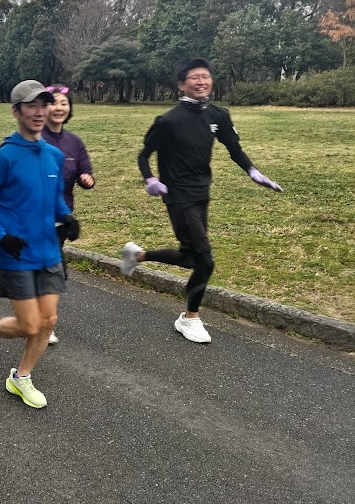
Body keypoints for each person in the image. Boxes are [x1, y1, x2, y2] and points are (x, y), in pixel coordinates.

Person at [120, 58, 283, 344]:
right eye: (194, 77)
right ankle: (190, 317)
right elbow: (144, 154)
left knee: (189, 258)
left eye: (205, 76)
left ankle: (138, 256)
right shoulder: (168, 121)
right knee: (205, 260)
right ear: (181, 85)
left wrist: (253, 171)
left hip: (201, 192)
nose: (201, 81)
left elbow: (234, 149)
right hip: (177, 195)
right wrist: (150, 179)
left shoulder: (218, 115)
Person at [0, 80, 79, 409]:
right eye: (31, 106)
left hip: (48, 251)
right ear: (16, 112)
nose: (40, 112)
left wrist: (67, 216)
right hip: (14, 253)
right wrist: (0, 235)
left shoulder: (54, 155)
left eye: (44, 104)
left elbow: (54, 199)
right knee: (30, 324)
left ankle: (21, 377)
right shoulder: (5, 157)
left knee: (48, 321)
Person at [41, 84, 95, 344]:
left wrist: (87, 179)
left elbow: (87, 172)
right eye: (54, 102)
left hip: (62, 216)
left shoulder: (75, 143)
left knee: (53, 266)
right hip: (34, 215)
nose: (59, 107)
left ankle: (45, 320)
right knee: (49, 266)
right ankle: (39, 317)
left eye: (64, 103)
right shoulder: (35, 139)